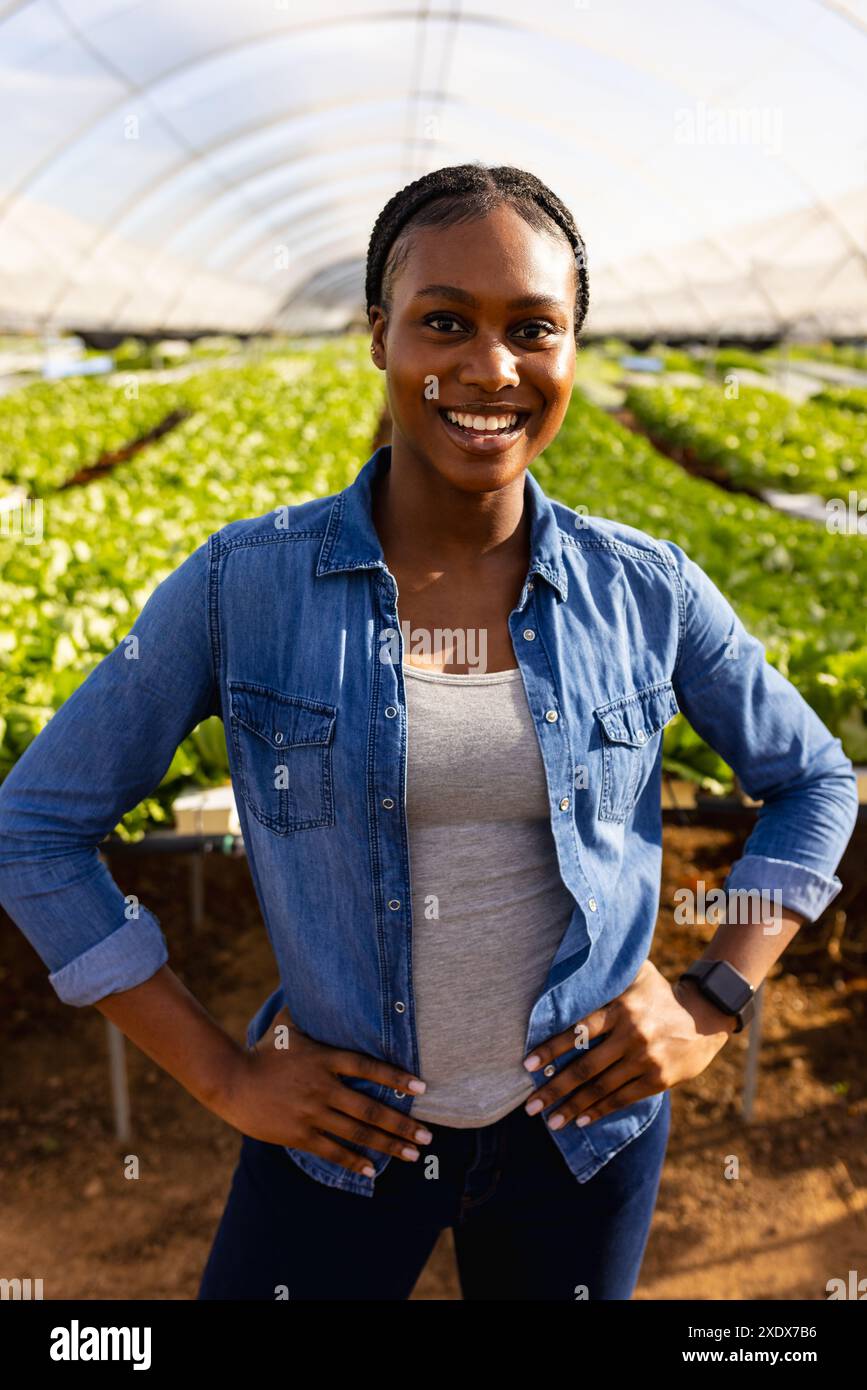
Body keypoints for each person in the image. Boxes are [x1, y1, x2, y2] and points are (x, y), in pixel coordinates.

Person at [0, 164, 858, 1302]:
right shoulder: (245, 586)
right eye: (443, 321)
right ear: (379, 337)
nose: (490, 368)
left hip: (585, 1137)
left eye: (534, 329)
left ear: (572, 351)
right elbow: (36, 826)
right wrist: (221, 1077)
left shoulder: (648, 590)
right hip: (341, 1138)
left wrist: (710, 998)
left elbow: (814, 780)